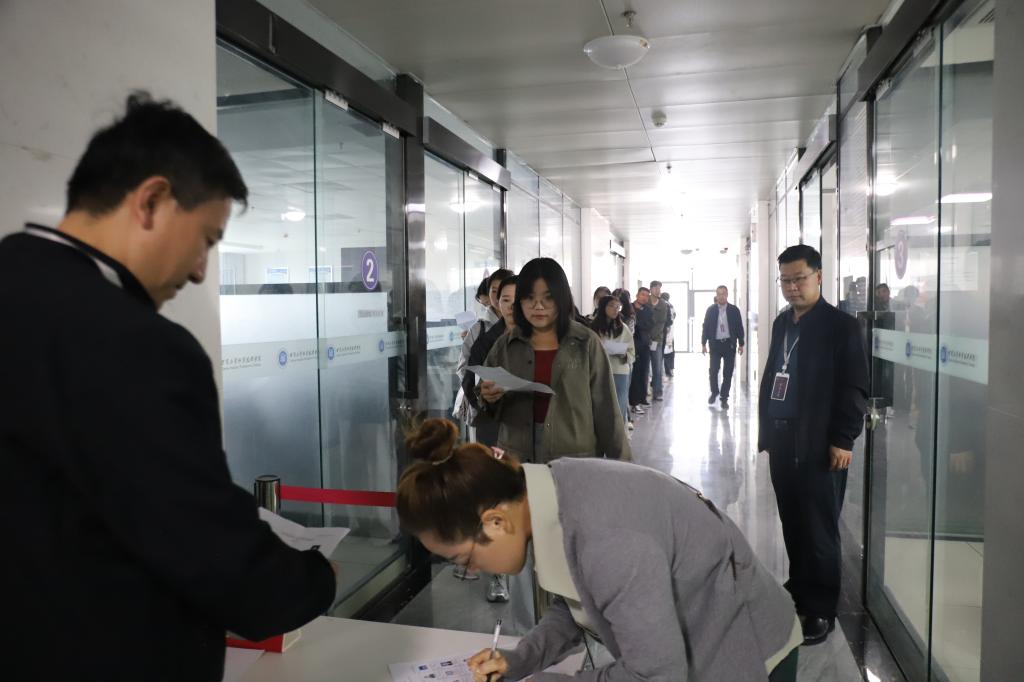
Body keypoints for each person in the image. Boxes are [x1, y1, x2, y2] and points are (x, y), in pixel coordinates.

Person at [2, 93, 335, 681]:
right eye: (206, 238)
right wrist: (314, 578)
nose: (202, 270)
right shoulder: (136, 344)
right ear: (151, 200)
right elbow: (212, 555)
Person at [396, 419, 802, 681]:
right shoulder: (552, 491)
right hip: (696, 638)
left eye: (465, 560)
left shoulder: (607, 537)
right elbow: (583, 601)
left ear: (496, 522)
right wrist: (518, 661)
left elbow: (657, 675)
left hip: (747, 649)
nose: (472, 572)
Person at [758, 244, 868, 645]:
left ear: (818, 277)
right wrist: (767, 434)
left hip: (820, 442)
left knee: (819, 527)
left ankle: (820, 608)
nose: (792, 287)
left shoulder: (841, 326)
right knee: (793, 519)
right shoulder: (782, 323)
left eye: (799, 279)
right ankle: (800, 586)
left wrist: (843, 438)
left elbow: (854, 387)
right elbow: (776, 373)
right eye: (785, 280)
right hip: (783, 438)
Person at [480, 258, 630, 463]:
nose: (538, 306)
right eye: (529, 298)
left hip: (573, 458)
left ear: (562, 299)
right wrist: (488, 397)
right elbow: (485, 400)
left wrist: (622, 468)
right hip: (517, 457)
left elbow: (607, 411)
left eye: (548, 298)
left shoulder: (586, 342)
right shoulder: (505, 345)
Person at [454, 269, 513, 425]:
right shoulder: (478, 329)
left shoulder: (524, 327)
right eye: (494, 291)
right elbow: (464, 368)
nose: (499, 295)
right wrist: (478, 393)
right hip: (483, 409)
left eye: (504, 290)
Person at [590, 295, 635, 429]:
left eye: (617, 307)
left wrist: (624, 354)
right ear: (603, 307)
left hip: (619, 370)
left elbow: (632, 353)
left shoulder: (624, 328)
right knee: (601, 405)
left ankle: (620, 434)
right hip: (600, 371)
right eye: (611, 306)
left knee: (620, 404)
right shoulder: (593, 328)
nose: (615, 309)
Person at [701, 285, 746, 410]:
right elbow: (705, 327)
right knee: (713, 370)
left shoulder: (734, 310)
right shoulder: (711, 310)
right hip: (715, 345)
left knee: (728, 372)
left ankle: (724, 397)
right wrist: (703, 343)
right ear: (716, 295)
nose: (721, 296)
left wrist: (741, 343)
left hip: (729, 345)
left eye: (723, 294)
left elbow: (739, 327)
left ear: (727, 295)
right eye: (719, 294)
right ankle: (714, 392)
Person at [628, 286, 654, 414]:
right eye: (642, 294)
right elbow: (632, 326)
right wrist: (640, 326)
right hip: (634, 345)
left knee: (644, 372)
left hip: (645, 345)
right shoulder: (630, 308)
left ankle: (642, 399)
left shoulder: (648, 310)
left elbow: (650, 325)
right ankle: (635, 402)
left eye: (647, 296)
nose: (644, 297)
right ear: (637, 295)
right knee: (636, 374)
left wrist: (640, 325)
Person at [647, 280, 669, 401]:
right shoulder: (646, 301)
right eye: (655, 288)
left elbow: (662, 322)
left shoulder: (663, 304)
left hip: (657, 340)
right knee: (644, 367)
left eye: (659, 288)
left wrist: (652, 336)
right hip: (644, 339)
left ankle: (657, 391)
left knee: (657, 367)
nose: (657, 290)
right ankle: (644, 391)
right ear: (651, 289)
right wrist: (646, 337)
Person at [661, 291, 676, 378]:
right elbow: (674, 316)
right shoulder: (671, 305)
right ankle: (669, 369)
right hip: (670, 332)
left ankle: (665, 370)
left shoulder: (663, 305)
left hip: (664, 332)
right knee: (670, 352)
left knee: (663, 352)